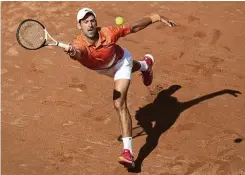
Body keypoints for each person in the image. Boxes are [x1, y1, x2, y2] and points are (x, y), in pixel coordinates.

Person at [64, 7, 177, 168]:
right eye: (85, 22)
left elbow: (133, 27)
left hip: (121, 62)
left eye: (92, 21)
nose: (89, 25)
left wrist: (156, 16)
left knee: (119, 103)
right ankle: (146, 65)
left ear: (96, 23)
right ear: (79, 26)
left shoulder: (109, 33)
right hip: (104, 69)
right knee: (135, 67)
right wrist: (73, 53)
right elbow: (80, 53)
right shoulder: (77, 44)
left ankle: (127, 152)